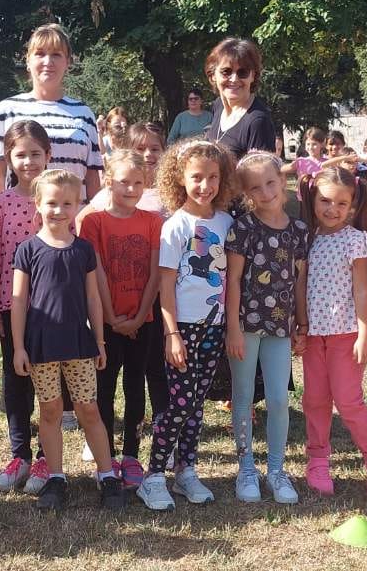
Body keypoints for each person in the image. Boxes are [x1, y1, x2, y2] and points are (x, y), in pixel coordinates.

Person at [10, 170, 123, 510]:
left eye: (67, 204)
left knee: (89, 409)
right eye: (52, 203)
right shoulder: (27, 249)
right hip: (41, 346)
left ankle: (107, 475)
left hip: (79, 344)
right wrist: (18, 347)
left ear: (77, 206)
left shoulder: (84, 250)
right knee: (50, 410)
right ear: (38, 204)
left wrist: (100, 341)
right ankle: (56, 477)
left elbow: (93, 299)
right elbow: (18, 301)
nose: (59, 210)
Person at [136, 139, 236, 511]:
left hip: (214, 328)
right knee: (178, 404)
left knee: (196, 405)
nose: (205, 185)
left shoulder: (226, 222)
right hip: (182, 328)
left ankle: (186, 470)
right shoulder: (175, 225)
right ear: (180, 178)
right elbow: (165, 285)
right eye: (197, 177)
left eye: (213, 177)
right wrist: (172, 333)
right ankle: (153, 477)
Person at [295, 164, 367, 498]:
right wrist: (301, 327)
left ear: (352, 205)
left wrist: (365, 334)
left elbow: (363, 290)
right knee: (314, 400)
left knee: (348, 401)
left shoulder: (356, 241)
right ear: (313, 200)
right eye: (325, 201)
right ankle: (317, 459)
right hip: (313, 336)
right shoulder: (307, 239)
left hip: (346, 335)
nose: (332, 209)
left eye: (341, 203)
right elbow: (301, 285)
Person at [224, 152, 309, 505]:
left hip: (280, 327)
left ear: (283, 181)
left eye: (271, 182)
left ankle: (276, 469)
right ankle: (246, 468)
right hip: (246, 325)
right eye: (255, 188)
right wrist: (232, 328)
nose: (266, 192)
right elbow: (233, 280)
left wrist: (302, 323)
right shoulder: (243, 228)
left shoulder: (298, 230)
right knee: (243, 397)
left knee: (278, 399)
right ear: (246, 194)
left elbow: (299, 281)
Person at [81, 150, 165, 494]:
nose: (131, 189)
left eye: (138, 182)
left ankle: (131, 454)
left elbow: (156, 273)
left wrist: (140, 315)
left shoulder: (153, 222)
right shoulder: (94, 222)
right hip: (105, 323)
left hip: (143, 321)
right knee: (104, 387)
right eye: (123, 182)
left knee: (135, 385)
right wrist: (111, 317)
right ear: (108, 181)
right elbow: (97, 270)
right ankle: (107, 457)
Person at [0, 122, 52, 495]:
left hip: (53, 309)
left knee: (49, 384)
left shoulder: (59, 198)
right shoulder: (1, 204)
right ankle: (19, 455)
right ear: (9, 158)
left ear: (48, 155)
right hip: (14, 309)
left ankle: (46, 457)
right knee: (16, 381)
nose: (28, 162)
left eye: (35, 154)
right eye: (20, 154)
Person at [0, 24, 103, 200]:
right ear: (28, 61)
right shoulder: (6, 110)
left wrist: (94, 215)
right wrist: (0, 212)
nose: (48, 62)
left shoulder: (84, 114)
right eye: (40, 54)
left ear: (68, 62)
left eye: (56, 54)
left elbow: (92, 177)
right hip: (20, 215)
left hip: (75, 214)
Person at [204, 38, 278, 158]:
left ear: (253, 76)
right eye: (226, 71)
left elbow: (263, 169)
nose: (234, 79)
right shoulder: (218, 106)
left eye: (242, 72)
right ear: (213, 76)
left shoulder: (257, 122)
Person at [86, 122, 167, 215]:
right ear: (128, 152)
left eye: (155, 149)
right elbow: (80, 219)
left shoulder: (172, 191)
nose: (148, 153)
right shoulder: (116, 189)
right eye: (140, 149)